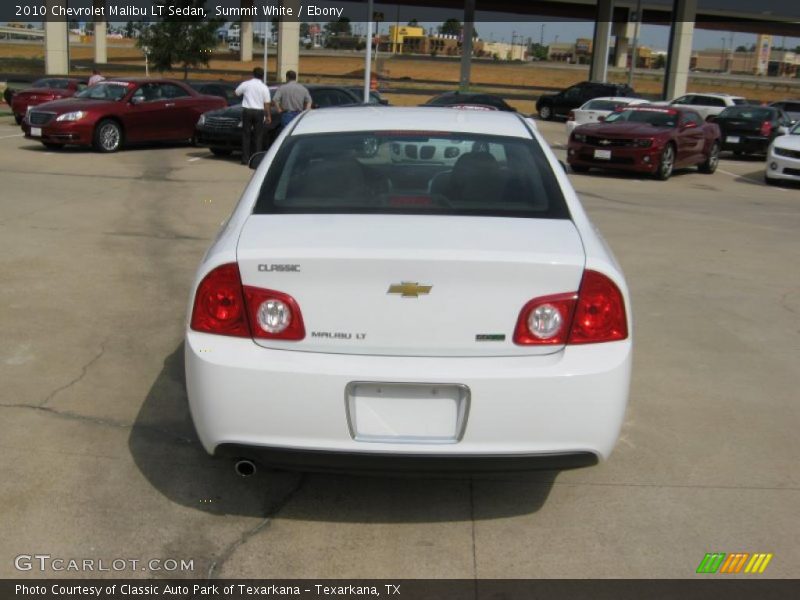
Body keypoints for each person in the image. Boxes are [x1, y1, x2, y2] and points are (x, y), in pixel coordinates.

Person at [235, 67, 272, 165]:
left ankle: (245, 159)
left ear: (253, 74)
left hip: (247, 110)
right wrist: (268, 115)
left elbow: (236, 92)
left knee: (246, 135)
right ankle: (256, 159)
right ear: (262, 76)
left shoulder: (246, 84)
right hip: (259, 112)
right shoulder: (264, 87)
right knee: (258, 136)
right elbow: (267, 103)